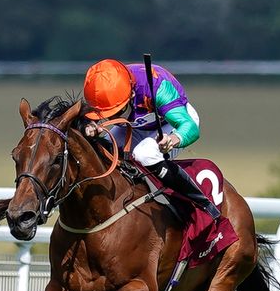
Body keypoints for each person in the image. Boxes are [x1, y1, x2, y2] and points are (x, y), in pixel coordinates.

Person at [82, 58, 220, 219]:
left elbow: (189, 127)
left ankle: (202, 204)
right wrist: (91, 126)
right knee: (102, 149)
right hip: (136, 127)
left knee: (145, 154)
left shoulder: (158, 87)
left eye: (116, 112)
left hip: (171, 124)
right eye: (106, 114)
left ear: (131, 93)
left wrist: (173, 140)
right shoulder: (103, 89)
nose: (110, 118)